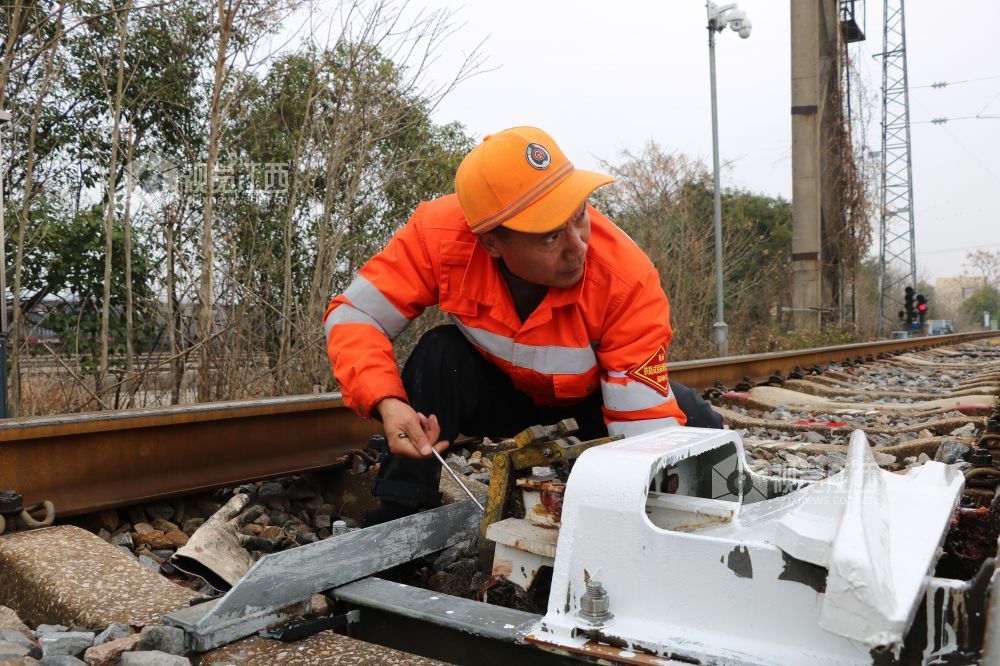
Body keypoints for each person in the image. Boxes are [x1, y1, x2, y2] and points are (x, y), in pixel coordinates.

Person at [324, 126, 722, 524]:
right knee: (439, 352)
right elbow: (356, 315)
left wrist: (633, 519)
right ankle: (401, 513)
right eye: (550, 236)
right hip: (496, 393)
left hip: (592, 399)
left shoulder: (625, 279)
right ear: (492, 243)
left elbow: (640, 425)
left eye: (579, 215)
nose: (578, 246)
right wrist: (387, 403)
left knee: (698, 425)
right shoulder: (439, 237)